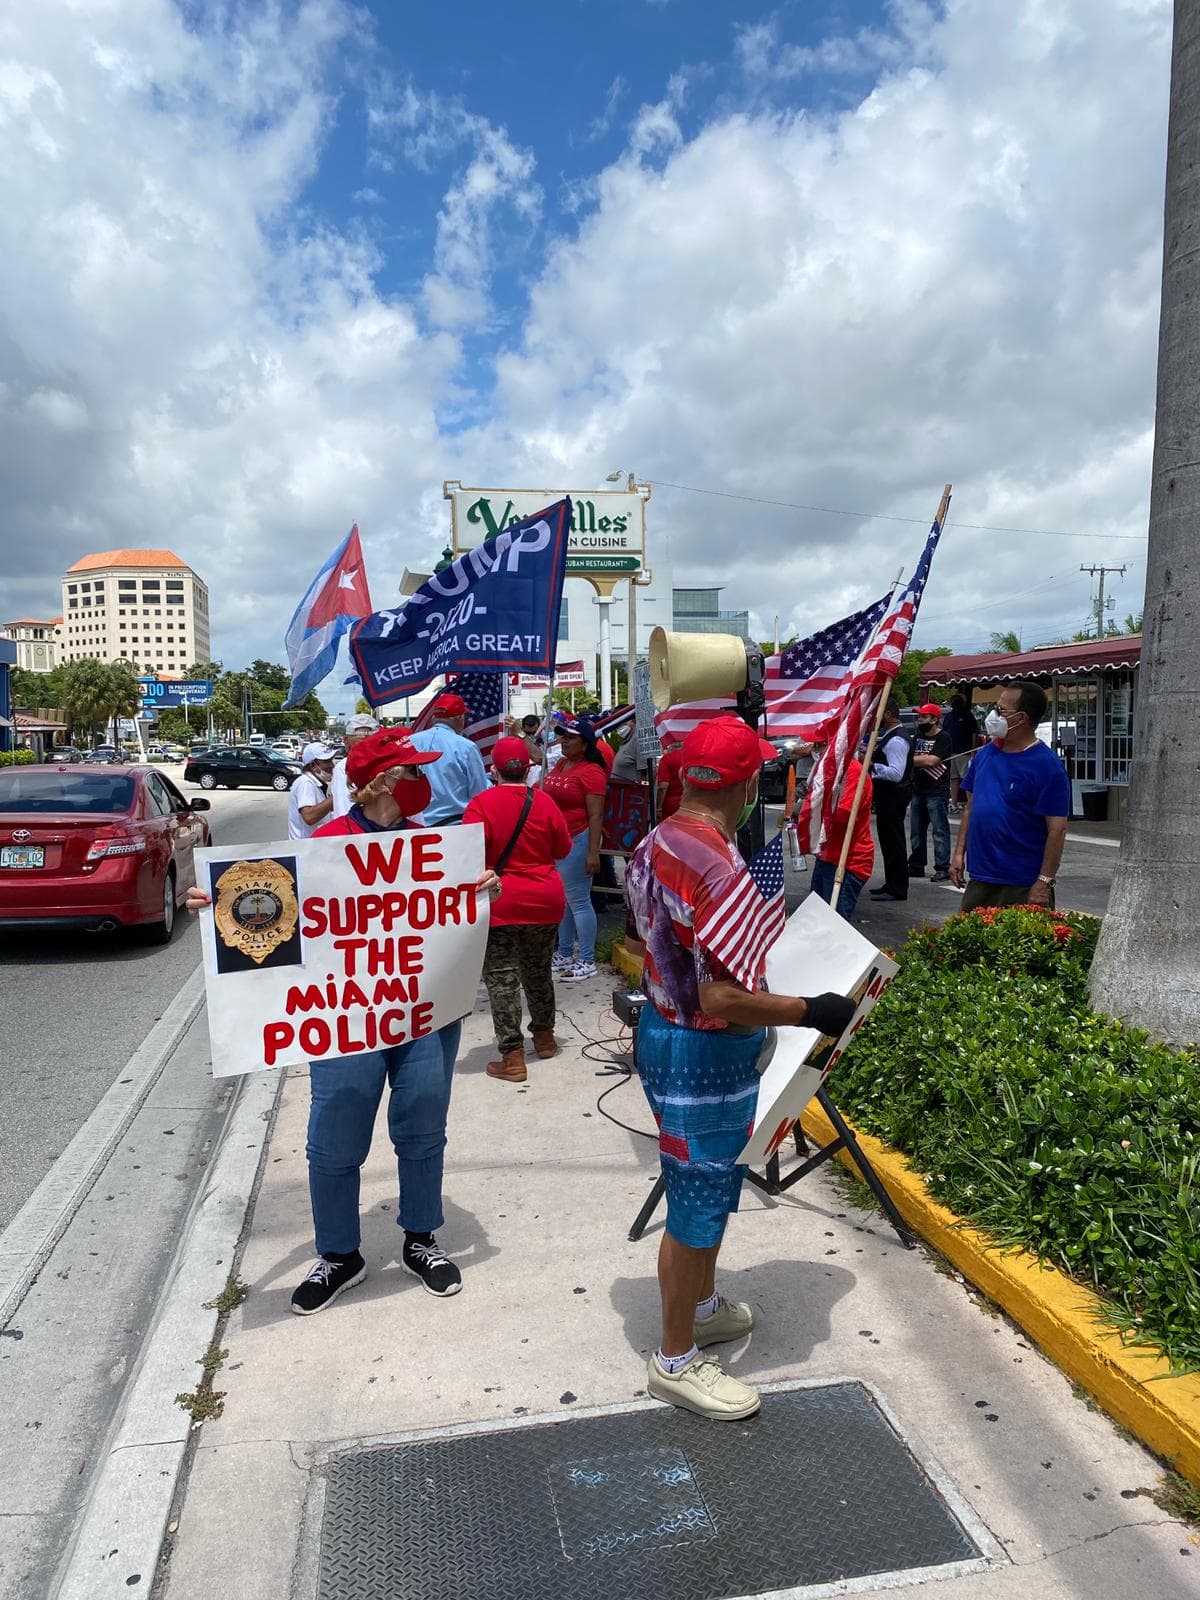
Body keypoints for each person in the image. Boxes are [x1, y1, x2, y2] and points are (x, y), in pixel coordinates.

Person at [186, 727, 501, 1314]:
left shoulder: (432, 849)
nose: (423, 783)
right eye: (413, 773)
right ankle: (339, 1253)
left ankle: (421, 1238)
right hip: (345, 1019)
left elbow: (450, 919)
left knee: (423, 1125)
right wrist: (216, 903)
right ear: (383, 782)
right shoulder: (323, 846)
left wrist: (483, 890)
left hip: (421, 1015)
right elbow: (269, 918)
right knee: (335, 1137)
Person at [625, 717, 856, 1420]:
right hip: (700, 1050)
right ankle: (674, 1360)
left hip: (670, 1033)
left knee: (710, 1187)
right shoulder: (716, 865)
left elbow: (665, 953)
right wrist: (809, 1009)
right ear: (749, 783)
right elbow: (718, 994)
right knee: (695, 1207)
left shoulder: (661, 839)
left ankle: (700, 1305)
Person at [464, 737, 572, 1083]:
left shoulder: (480, 804)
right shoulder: (545, 802)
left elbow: (468, 856)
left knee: (502, 978)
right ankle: (544, 1037)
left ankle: (512, 1057)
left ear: (493, 770)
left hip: (501, 900)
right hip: (545, 898)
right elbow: (563, 848)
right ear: (528, 769)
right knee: (538, 970)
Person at [950, 681, 1069, 911]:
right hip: (981, 878)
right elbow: (970, 807)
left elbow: (1057, 829)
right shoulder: (985, 755)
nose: (993, 716)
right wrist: (958, 854)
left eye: (1001, 711)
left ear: (1022, 718)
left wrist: (1044, 882)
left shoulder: (1047, 767)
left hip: (1022, 884)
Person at [543, 716, 609, 982]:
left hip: (578, 839)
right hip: (558, 841)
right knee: (565, 902)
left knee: (579, 901)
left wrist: (593, 852)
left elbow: (596, 815)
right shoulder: (560, 764)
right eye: (563, 736)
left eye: (570, 737)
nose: (564, 741)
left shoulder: (591, 771)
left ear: (585, 744)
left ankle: (587, 959)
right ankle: (566, 951)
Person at [809, 746, 873, 921]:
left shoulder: (852, 772)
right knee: (816, 921)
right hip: (826, 857)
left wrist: (816, 805)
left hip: (847, 861)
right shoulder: (830, 770)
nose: (816, 750)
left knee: (834, 926)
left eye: (820, 745)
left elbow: (843, 818)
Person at [408, 692, 489, 824]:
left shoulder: (411, 742)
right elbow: (479, 794)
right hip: (455, 826)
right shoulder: (466, 747)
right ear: (460, 718)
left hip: (417, 826)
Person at [867, 697, 914, 902]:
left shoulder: (896, 740)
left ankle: (898, 887)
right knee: (887, 841)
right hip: (886, 796)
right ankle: (891, 881)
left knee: (894, 841)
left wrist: (871, 765)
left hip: (894, 795)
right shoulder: (890, 736)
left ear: (888, 714)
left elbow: (896, 773)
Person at [907, 702, 954, 884]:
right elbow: (920, 759)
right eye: (919, 717)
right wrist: (917, 760)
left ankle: (942, 868)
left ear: (935, 719)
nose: (920, 720)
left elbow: (931, 761)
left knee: (939, 831)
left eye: (924, 717)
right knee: (917, 831)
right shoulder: (918, 737)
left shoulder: (944, 738)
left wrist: (911, 760)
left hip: (937, 791)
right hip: (918, 789)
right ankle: (917, 864)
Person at [330, 712, 377, 817]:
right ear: (346, 741)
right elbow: (344, 812)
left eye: (371, 745)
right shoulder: (343, 768)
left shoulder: (389, 765)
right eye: (359, 748)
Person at [287, 741, 336, 839]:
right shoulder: (306, 783)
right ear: (313, 766)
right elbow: (309, 816)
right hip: (305, 848)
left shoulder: (317, 783)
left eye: (331, 760)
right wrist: (332, 800)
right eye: (327, 761)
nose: (332, 765)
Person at [940, 693, 978, 810]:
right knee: (953, 779)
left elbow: (974, 733)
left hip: (965, 752)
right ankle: (954, 803)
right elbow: (944, 733)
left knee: (966, 779)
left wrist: (973, 750)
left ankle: (970, 805)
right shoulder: (948, 717)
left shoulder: (968, 716)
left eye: (957, 701)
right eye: (953, 701)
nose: (955, 703)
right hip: (951, 752)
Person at [655, 738, 685, 820]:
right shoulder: (693, 757)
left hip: (670, 806)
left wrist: (658, 808)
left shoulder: (667, 759)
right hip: (688, 804)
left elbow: (662, 786)